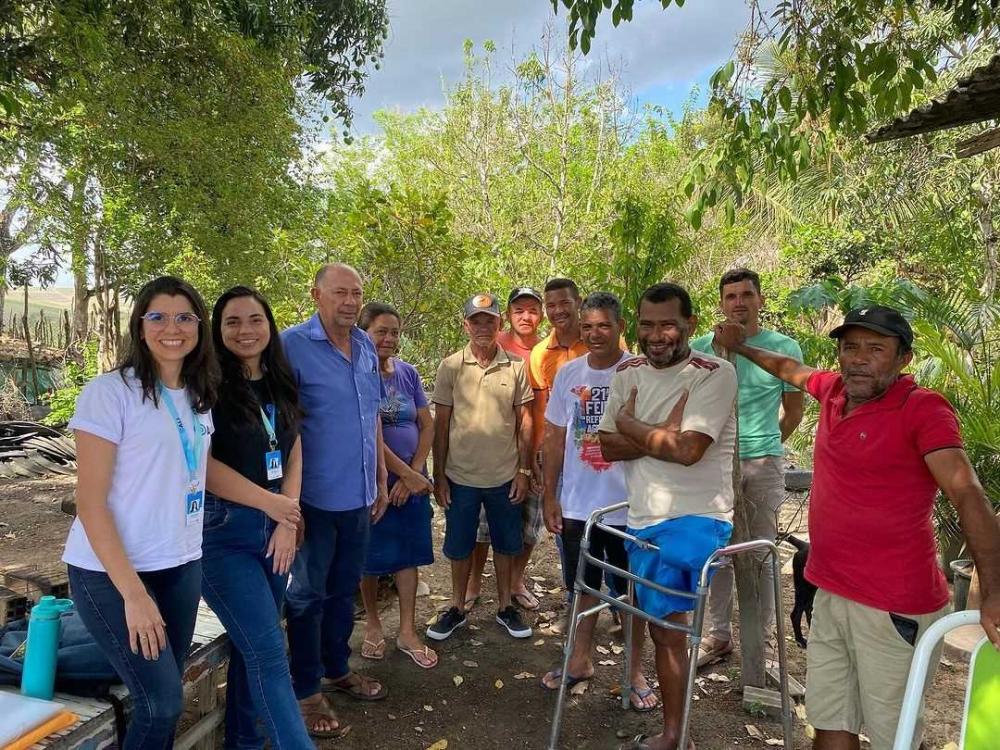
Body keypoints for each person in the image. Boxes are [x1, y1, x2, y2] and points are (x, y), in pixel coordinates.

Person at [713, 305, 1000, 750]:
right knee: (829, 723)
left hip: (893, 608)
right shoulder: (833, 391)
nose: (859, 359)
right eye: (850, 347)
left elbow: (968, 494)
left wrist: (994, 593)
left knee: (895, 737)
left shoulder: (922, 409)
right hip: (831, 593)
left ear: (903, 358)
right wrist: (742, 347)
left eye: (876, 349)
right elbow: (789, 369)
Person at [65, 276, 218, 749]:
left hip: (181, 563)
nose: (172, 328)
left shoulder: (199, 394)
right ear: (140, 325)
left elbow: (196, 472)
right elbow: (90, 503)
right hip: (110, 573)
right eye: (158, 317)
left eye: (184, 317)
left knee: (162, 693)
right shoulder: (110, 393)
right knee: (162, 704)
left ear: (199, 327)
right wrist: (133, 594)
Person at [599, 282, 737, 750]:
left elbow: (689, 451)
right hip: (643, 518)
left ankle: (676, 737)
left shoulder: (713, 373)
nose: (656, 335)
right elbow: (606, 446)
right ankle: (676, 732)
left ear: (690, 325)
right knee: (662, 630)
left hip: (696, 518)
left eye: (668, 325)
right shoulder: (627, 372)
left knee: (668, 630)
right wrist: (661, 433)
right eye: (647, 325)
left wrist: (631, 424)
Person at [200, 286, 312, 747]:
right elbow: (203, 467)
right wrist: (273, 506)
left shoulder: (280, 379)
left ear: (269, 326)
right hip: (223, 533)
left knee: (255, 647)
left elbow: (293, 448)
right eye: (232, 322)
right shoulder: (206, 385)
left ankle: (244, 742)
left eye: (255, 320)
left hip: (275, 528)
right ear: (218, 330)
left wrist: (287, 519)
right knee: (268, 653)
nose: (245, 330)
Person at [281, 263, 390, 736]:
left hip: (359, 496)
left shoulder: (364, 345)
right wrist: (288, 501)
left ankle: (336, 668)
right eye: (340, 293)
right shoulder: (290, 346)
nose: (350, 302)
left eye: (357, 293)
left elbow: (372, 415)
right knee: (307, 596)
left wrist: (381, 476)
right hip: (313, 500)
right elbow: (280, 426)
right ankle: (306, 691)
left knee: (344, 590)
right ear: (316, 295)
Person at [539, 292, 658, 712]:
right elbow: (554, 437)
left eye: (604, 325)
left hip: (631, 506)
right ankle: (580, 660)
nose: (595, 334)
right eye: (587, 326)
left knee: (633, 595)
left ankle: (634, 672)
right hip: (578, 507)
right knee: (582, 587)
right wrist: (550, 495)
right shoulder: (569, 374)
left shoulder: (641, 372)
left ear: (620, 327)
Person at [691, 268, 804, 666]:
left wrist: (766, 447)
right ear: (721, 303)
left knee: (760, 552)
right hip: (713, 464)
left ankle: (763, 644)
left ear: (760, 299)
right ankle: (718, 635)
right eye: (731, 296)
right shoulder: (701, 348)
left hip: (762, 463)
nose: (738, 302)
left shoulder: (783, 348)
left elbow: (793, 411)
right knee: (717, 550)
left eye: (746, 294)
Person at [427, 293, 535, 641]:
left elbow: (525, 421)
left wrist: (524, 471)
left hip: (504, 477)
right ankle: (457, 608)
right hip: (460, 477)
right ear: (466, 325)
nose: (483, 327)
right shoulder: (451, 366)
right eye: (476, 321)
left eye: (490, 320)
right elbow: (441, 424)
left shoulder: (515, 367)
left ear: (499, 324)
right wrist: (439, 475)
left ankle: (505, 607)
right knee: (459, 546)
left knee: (507, 544)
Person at [357, 302, 438, 669]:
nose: (388, 338)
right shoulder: (357, 375)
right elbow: (367, 432)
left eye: (394, 332)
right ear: (363, 334)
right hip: (375, 480)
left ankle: (407, 630)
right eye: (381, 332)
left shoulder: (407, 373)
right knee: (370, 558)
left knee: (409, 555)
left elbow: (427, 424)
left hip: (413, 479)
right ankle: (373, 625)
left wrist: (414, 472)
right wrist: (401, 474)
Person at [466, 286, 545, 611]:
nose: (526, 316)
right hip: (497, 451)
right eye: (519, 310)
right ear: (507, 316)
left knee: (530, 522)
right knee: (483, 524)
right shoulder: (493, 346)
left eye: (533, 310)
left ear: (541, 316)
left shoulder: (545, 351)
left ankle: (515, 581)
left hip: (539, 450)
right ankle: (473, 582)